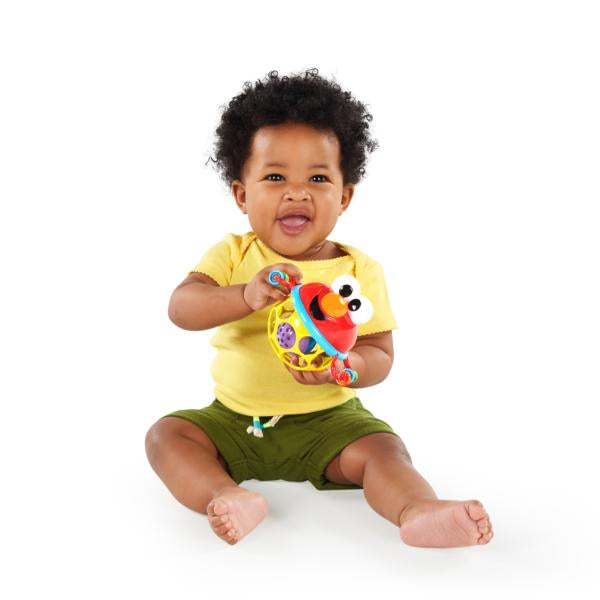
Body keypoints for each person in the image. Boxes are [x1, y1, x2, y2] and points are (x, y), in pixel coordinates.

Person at [145, 68, 494, 548]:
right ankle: (225, 495)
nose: (296, 191)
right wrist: (244, 295)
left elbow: (380, 354)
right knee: (167, 436)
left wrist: (348, 367)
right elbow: (181, 308)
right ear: (242, 195)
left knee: (384, 450)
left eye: (317, 177)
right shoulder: (234, 255)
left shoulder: (357, 271)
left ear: (344, 196)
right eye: (274, 176)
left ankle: (417, 510)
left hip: (330, 424)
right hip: (235, 420)